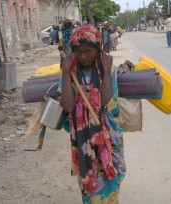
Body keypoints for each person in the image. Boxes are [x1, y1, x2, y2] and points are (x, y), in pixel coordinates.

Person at [59, 25, 126, 204]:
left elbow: (105, 102)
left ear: (98, 49)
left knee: (111, 177)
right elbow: (67, 105)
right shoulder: (69, 69)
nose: (83, 56)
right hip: (83, 138)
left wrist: (105, 70)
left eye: (88, 51)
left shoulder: (106, 66)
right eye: (78, 51)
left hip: (108, 134)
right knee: (89, 181)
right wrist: (65, 73)